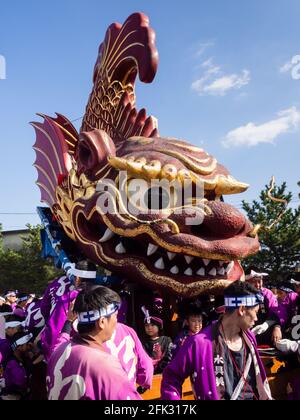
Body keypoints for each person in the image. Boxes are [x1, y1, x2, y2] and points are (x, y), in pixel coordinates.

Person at [161, 281, 272, 400]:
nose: (256, 318)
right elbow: (171, 378)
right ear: (241, 309)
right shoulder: (199, 343)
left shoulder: (250, 338)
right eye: (255, 312)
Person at [46, 286, 141, 400]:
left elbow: (58, 344)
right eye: (115, 316)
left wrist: (68, 321)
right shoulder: (105, 365)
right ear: (102, 322)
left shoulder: (58, 352)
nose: (116, 322)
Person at [245, 270, 282, 344]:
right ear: (246, 281)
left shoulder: (267, 294)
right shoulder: (240, 294)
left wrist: (277, 327)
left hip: (265, 332)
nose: (257, 285)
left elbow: (275, 313)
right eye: (254, 281)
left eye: (260, 281)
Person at [1, 332, 33, 400]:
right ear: (19, 347)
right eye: (26, 344)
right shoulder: (12, 363)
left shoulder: (24, 359)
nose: (29, 347)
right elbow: (20, 382)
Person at [141, 306, 173, 374]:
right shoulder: (143, 342)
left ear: (159, 326)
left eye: (152, 325)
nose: (149, 328)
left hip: (165, 372)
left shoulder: (166, 340)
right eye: (147, 325)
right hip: (149, 373)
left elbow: (169, 356)